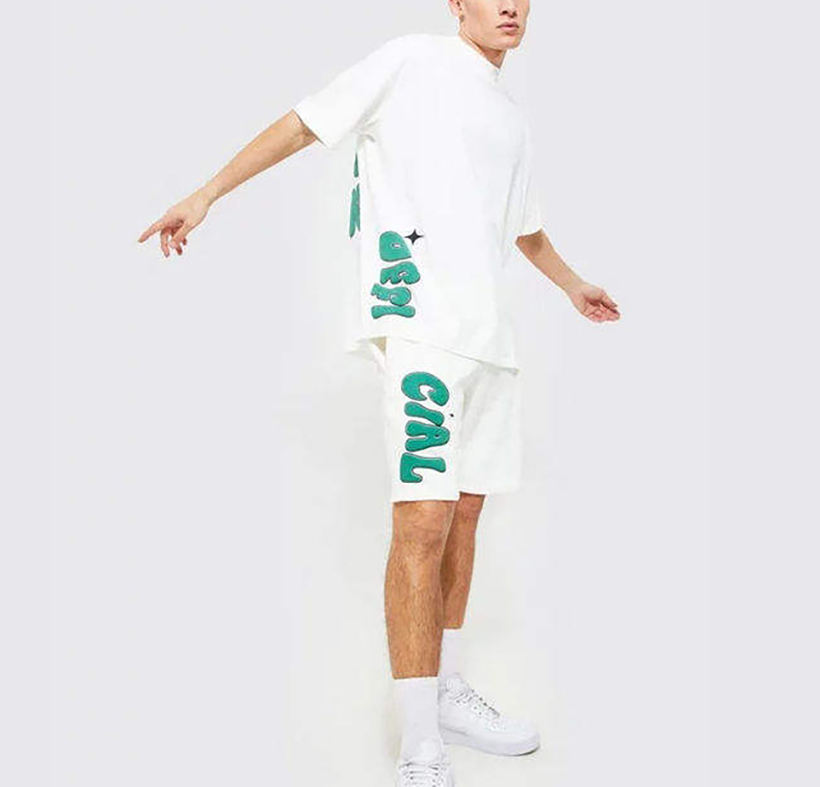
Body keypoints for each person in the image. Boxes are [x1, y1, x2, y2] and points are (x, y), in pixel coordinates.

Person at [138, 1, 620, 784]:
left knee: (464, 517)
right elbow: (304, 122)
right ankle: (419, 740)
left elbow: (523, 226)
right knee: (422, 521)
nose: (509, 5)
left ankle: (449, 690)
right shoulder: (412, 61)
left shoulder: (509, 116)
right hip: (422, 326)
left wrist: (571, 284)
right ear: (457, 2)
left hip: (489, 340)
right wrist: (208, 192)